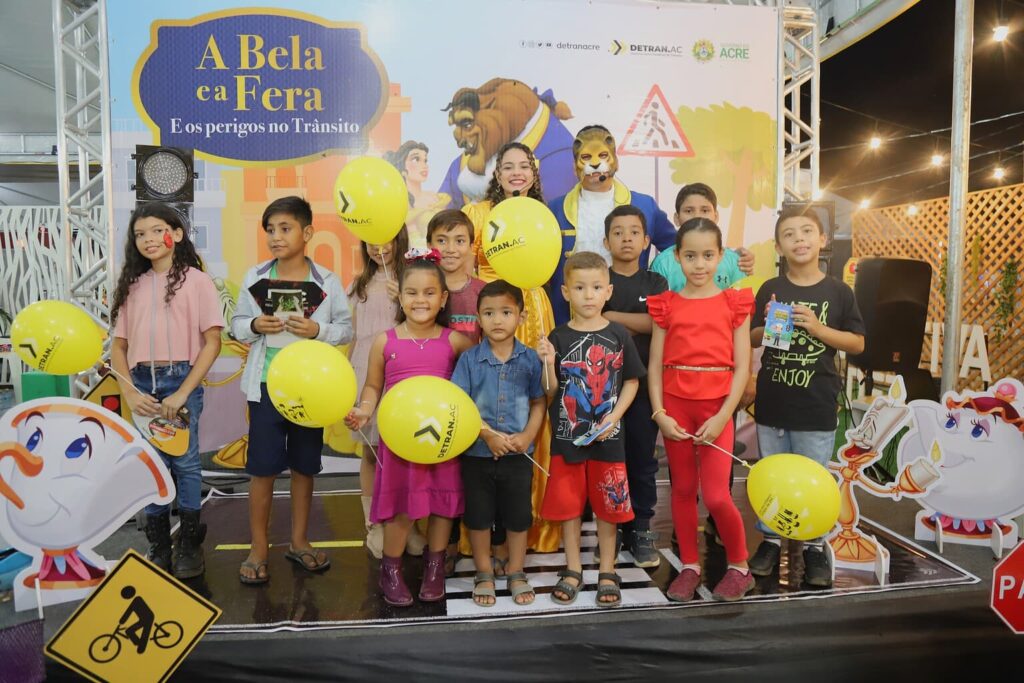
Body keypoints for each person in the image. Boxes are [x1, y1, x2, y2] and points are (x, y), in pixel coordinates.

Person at [231, 196, 354, 585]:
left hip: (310, 391)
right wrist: (255, 326)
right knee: (262, 470)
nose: (276, 237)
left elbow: (346, 329)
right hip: (266, 387)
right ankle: (258, 548)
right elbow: (236, 324)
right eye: (270, 230)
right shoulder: (255, 276)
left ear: (308, 232)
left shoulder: (326, 282)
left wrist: (318, 330)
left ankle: (300, 542)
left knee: (304, 467)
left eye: (285, 228)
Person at [345, 251, 475, 606]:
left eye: (430, 293)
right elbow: (373, 386)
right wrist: (364, 410)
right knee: (400, 507)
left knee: (442, 504)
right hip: (400, 442)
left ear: (443, 298)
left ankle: (435, 569)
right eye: (412, 293)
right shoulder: (385, 341)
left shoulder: (455, 342)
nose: (421, 300)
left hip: (443, 440)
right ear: (399, 297)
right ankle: (391, 569)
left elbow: (475, 382)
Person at [748, 208, 865, 587]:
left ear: (822, 240)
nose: (799, 239)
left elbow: (857, 343)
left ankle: (814, 546)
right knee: (772, 475)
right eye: (789, 234)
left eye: (807, 231)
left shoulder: (838, 292)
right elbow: (752, 338)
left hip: (816, 403)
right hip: (773, 403)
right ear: (778, 246)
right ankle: (770, 541)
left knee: (815, 478)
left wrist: (817, 328)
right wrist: (768, 324)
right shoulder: (770, 288)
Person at [110, 202, 223, 579]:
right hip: (141, 384)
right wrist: (130, 393)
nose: (148, 239)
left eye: (157, 230)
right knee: (151, 465)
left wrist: (182, 393)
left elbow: (212, 343)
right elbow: (118, 347)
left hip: (181, 382)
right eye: (139, 234)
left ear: (175, 233)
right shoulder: (131, 285)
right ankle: (159, 544)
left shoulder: (198, 281)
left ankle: (189, 543)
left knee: (186, 464)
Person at [646, 217, 755, 602]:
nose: (699, 264)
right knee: (682, 490)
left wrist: (723, 416)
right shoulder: (666, 305)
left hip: (717, 409)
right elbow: (655, 365)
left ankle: (740, 567)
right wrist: (660, 414)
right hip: (675, 408)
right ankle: (689, 565)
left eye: (708, 255)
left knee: (717, 495)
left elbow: (742, 367)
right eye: (690, 256)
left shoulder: (734, 303)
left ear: (721, 256)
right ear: (677, 257)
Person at [547, 127, 756, 325]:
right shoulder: (555, 209)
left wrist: (728, 255)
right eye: (586, 157)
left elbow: (683, 246)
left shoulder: (644, 205)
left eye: (602, 156)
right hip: (568, 317)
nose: (594, 163)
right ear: (575, 165)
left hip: (632, 315)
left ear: (615, 161)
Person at [464, 141, 561, 554]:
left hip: (533, 312)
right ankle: (484, 528)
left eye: (524, 166)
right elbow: (464, 266)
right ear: (497, 173)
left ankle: (529, 522)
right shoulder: (478, 213)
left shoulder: (542, 214)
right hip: (489, 311)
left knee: (530, 399)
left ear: (534, 173)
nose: (516, 172)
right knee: (486, 399)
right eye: (508, 166)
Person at [537, 251, 645, 608]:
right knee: (569, 508)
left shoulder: (618, 334)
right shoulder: (558, 336)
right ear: (566, 292)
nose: (588, 295)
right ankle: (572, 568)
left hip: (608, 441)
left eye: (596, 287)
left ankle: (607, 569)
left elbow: (631, 381)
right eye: (580, 287)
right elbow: (550, 390)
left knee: (609, 507)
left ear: (608, 291)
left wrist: (614, 417)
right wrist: (548, 363)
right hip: (567, 441)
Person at [450, 280, 546, 607]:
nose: (497, 320)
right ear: (478, 318)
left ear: (521, 317)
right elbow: (460, 404)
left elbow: (539, 401)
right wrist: (486, 434)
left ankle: (516, 570)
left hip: (519, 455)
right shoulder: (469, 360)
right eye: (489, 313)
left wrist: (528, 435)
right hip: (477, 454)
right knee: (478, 516)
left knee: (518, 516)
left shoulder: (531, 359)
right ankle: (483, 572)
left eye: (506, 312)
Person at [599, 205, 668, 568]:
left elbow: (658, 324)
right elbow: (589, 319)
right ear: (605, 241)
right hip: (602, 390)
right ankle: (611, 526)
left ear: (646, 240)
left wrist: (611, 316)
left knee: (642, 459)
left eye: (634, 232)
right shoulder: (599, 279)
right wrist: (630, 322)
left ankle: (640, 529)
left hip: (643, 389)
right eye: (618, 232)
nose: (626, 238)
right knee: (608, 461)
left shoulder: (655, 283)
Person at [347, 227, 412, 560]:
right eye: (370, 241)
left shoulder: (410, 281)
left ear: (399, 238)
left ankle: (407, 523)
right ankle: (373, 523)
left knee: (403, 453)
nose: (378, 247)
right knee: (371, 452)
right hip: (364, 370)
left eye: (385, 238)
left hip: (400, 368)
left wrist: (404, 296)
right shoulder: (358, 285)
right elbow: (353, 334)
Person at [649, 183, 746, 292]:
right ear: (676, 218)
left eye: (705, 210)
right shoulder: (663, 263)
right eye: (689, 211)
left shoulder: (734, 261)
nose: (697, 216)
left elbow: (741, 300)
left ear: (716, 216)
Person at [428, 209, 485, 344]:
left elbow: (490, 347)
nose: (451, 249)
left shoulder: (483, 292)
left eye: (459, 241)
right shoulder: (420, 290)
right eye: (442, 241)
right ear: (429, 245)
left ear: (471, 246)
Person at [387, 140, 451, 249]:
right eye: (416, 159)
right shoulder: (399, 203)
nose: (424, 165)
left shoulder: (435, 198)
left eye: (425, 160)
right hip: (409, 256)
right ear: (402, 166)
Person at [118, 586, 154, 655]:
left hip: (148, 618)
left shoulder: (137, 599)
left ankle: (141, 646)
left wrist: (122, 621)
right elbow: (128, 612)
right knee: (130, 631)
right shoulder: (135, 600)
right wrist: (122, 621)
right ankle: (139, 644)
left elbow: (128, 611)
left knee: (143, 632)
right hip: (144, 619)